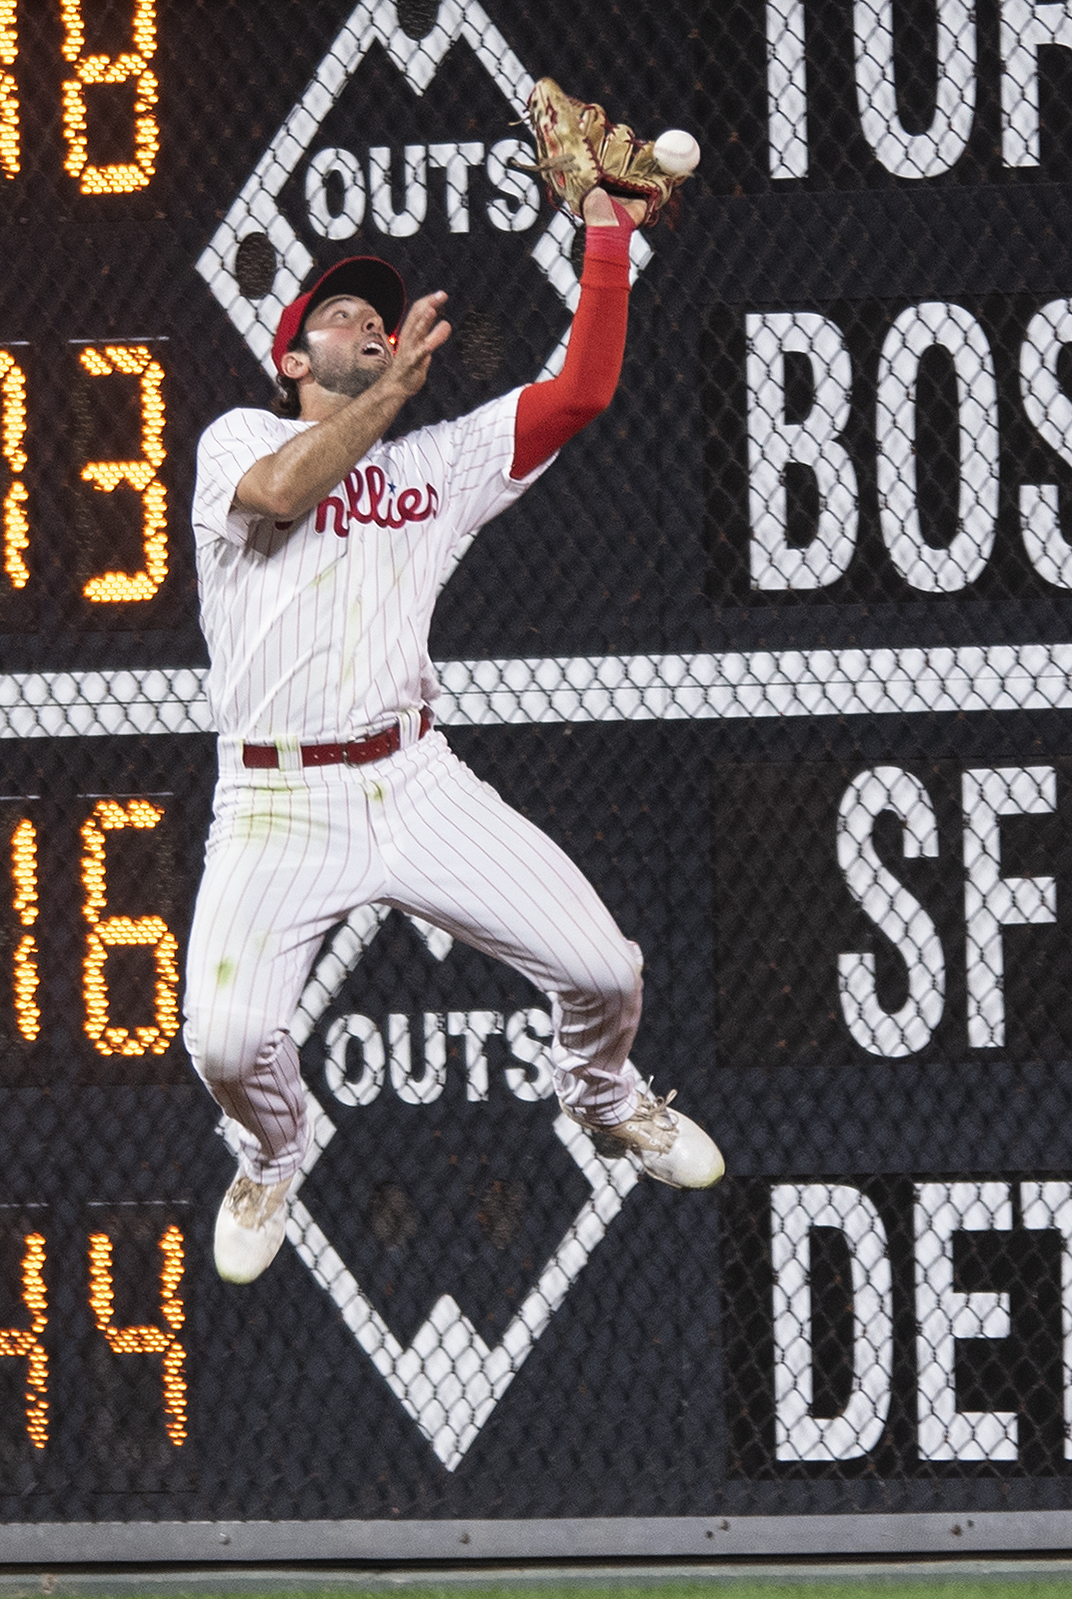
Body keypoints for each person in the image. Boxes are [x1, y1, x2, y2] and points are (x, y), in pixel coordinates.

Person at [186, 188, 721, 1287]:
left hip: (413, 780)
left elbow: (580, 390)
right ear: (293, 354)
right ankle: (276, 1149)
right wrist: (384, 396)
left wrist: (609, 238)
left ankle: (607, 1097)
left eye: (379, 318)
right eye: (342, 315)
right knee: (225, 1044)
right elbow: (289, 486)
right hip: (277, 804)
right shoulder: (239, 439)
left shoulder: (431, 467)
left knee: (603, 971)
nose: (370, 326)